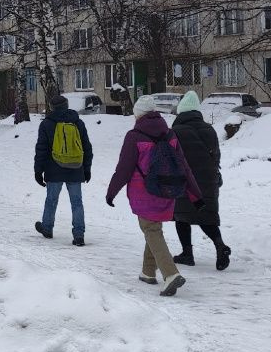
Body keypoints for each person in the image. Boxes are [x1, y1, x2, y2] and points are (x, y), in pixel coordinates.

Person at [105, 95, 203, 296]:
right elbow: (184, 167)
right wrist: (196, 195)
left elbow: (124, 169)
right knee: (153, 228)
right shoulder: (170, 134)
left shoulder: (134, 136)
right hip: (169, 191)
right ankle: (148, 272)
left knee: (150, 229)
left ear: (138, 114)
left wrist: (111, 192)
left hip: (145, 192)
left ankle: (170, 274)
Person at [170, 91, 232, 270]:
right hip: (208, 179)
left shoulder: (176, 131)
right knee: (207, 216)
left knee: (182, 216)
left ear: (181, 112)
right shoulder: (209, 129)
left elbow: (172, 158)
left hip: (185, 181)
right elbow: (216, 156)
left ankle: (187, 253)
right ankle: (220, 245)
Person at [33, 94, 93, 246]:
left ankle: (47, 228)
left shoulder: (46, 124)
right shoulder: (77, 122)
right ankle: (79, 235)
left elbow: (41, 149)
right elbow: (86, 147)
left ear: (52, 107)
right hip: (76, 168)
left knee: (51, 200)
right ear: (66, 106)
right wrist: (87, 168)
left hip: (54, 169)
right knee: (77, 202)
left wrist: (38, 171)